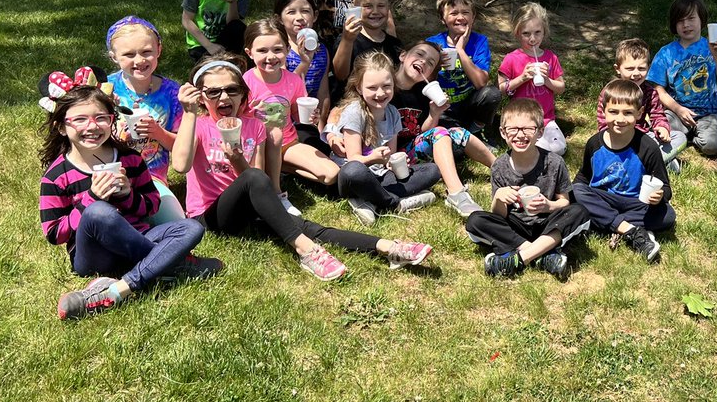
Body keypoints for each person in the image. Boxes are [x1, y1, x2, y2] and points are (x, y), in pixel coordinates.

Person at [171, 56, 431, 281]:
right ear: (202, 97)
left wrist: (237, 158)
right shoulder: (198, 124)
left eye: (231, 89)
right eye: (213, 92)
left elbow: (257, 179)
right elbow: (180, 165)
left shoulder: (254, 127)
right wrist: (191, 113)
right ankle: (307, 251)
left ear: (243, 92)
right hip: (211, 216)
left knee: (309, 227)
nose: (224, 97)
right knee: (266, 193)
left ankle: (387, 247)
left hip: (249, 211)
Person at [40, 82, 220, 320]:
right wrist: (90, 200)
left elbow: (152, 205)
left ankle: (118, 290)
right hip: (93, 256)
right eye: (80, 120)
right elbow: (55, 234)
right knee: (99, 213)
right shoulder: (56, 176)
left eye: (100, 118)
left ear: (112, 120)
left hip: (138, 236)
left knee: (192, 227)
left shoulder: (130, 159)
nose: (92, 126)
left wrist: (128, 196)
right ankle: (169, 262)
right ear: (62, 127)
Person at [467, 99, 590, 279]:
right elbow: (499, 215)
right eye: (513, 129)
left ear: (540, 131)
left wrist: (548, 206)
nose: (520, 135)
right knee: (475, 221)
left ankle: (517, 259)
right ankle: (542, 256)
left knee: (578, 212)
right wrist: (499, 198)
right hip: (516, 225)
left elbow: (565, 201)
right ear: (503, 132)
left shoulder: (554, 162)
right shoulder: (499, 166)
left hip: (547, 223)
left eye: (527, 129)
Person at [385, 40, 497, 217]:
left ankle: (501, 168)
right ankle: (456, 194)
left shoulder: (423, 91)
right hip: (392, 158)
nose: (423, 61)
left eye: (430, 63)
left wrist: (434, 113)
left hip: (412, 150)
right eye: (420, 54)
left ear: (430, 73)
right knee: (439, 133)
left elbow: (422, 132)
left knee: (456, 132)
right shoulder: (384, 87)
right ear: (403, 55)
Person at [328, 51, 441, 223]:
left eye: (386, 86)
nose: (380, 93)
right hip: (354, 177)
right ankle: (393, 203)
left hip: (380, 176)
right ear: (359, 88)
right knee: (354, 172)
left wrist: (396, 161)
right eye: (372, 88)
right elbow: (353, 160)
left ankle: (370, 201)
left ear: (393, 86)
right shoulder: (355, 112)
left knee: (432, 170)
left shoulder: (393, 113)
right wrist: (373, 158)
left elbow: (390, 156)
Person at [571, 79, 675, 263]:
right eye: (613, 112)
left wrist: (660, 195)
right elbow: (583, 177)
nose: (620, 119)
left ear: (640, 113)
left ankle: (606, 222)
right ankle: (630, 230)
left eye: (628, 113)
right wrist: (571, 194)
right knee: (577, 191)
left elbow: (666, 188)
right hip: (603, 198)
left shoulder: (648, 147)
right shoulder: (594, 143)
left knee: (668, 215)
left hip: (635, 202)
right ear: (604, 112)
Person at [242, 18, 335, 215]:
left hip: (287, 143)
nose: (271, 57)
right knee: (273, 135)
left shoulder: (293, 81)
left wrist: (311, 117)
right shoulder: (245, 82)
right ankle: (277, 193)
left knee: (331, 174)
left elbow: (296, 114)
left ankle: (279, 166)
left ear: (286, 49)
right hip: (255, 147)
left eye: (277, 50)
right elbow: (237, 119)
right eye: (262, 51)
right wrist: (249, 111)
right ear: (249, 53)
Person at [105, 16, 186, 222]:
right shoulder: (105, 89)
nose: (139, 60)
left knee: (178, 224)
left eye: (146, 52)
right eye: (129, 54)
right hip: (110, 174)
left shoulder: (172, 93)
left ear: (159, 49)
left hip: (151, 179)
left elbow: (181, 149)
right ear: (114, 57)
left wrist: (157, 132)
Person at [647, 0, 717, 157]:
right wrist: (678, 109)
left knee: (712, 146)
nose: (686, 25)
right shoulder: (666, 53)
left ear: (702, 20)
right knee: (661, 134)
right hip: (677, 111)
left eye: (691, 18)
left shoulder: (713, 47)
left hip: (709, 113)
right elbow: (658, 90)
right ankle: (684, 134)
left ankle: (688, 136)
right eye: (680, 20)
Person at [596, 38, 687, 172]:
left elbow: (657, 115)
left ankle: (644, 162)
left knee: (679, 137)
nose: (636, 73)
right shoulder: (610, 92)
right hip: (617, 136)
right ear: (618, 69)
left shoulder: (650, 92)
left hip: (642, 137)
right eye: (630, 68)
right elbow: (603, 122)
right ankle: (651, 163)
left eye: (641, 68)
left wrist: (662, 128)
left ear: (648, 68)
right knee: (602, 146)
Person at [426, 0, 502, 137]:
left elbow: (481, 83)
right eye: (453, 13)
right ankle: (458, 133)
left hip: (470, 104)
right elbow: (424, 82)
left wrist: (460, 50)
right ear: (442, 19)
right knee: (454, 144)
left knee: (492, 94)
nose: (460, 17)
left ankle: (477, 130)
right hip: (443, 107)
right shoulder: (433, 43)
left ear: (473, 17)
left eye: (465, 12)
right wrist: (436, 65)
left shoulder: (479, 41)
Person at [497, 2, 566, 154]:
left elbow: (561, 88)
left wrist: (547, 80)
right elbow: (502, 88)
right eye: (526, 34)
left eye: (537, 32)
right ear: (517, 33)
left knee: (559, 148)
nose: (532, 39)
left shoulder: (550, 57)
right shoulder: (511, 58)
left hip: (546, 119)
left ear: (544, 32)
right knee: (541, 149)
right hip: (522, 118)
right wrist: (522, 78)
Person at [275, 0, 331, 151]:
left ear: (315, 15)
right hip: (284, 117)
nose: (299, 18)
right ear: (279, 19)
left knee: (320, 145)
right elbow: (285, 90)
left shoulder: (322, 51)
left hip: (311, 118)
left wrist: (321, 127)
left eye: (305, 11)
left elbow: (323, 92)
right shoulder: (280, 50)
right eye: (291, 12)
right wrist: (304, 63)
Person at [331, 0, 404, 102]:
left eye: (381, 6)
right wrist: (347, 40)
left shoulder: (394, 44)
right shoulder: (348, 39)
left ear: (388, 8)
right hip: (350, 105)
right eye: (368, 6)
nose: (375, 11)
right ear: (356, 9)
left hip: (383, 106)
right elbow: (340, 75)